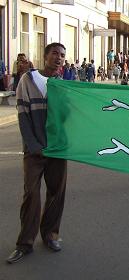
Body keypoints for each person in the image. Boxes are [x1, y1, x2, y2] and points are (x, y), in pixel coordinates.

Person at [6, 43, 68, 264]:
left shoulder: (62, 85)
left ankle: (50, 235)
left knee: (56, 194)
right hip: (35, 151)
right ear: (45, 56)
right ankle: (25, 243)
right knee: (31, 195)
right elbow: (23, 115)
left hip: (57, 149)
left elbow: (66, 118)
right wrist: (33, 145)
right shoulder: (28, 81)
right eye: (55, 54)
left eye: (62, 55)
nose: (59, 58)